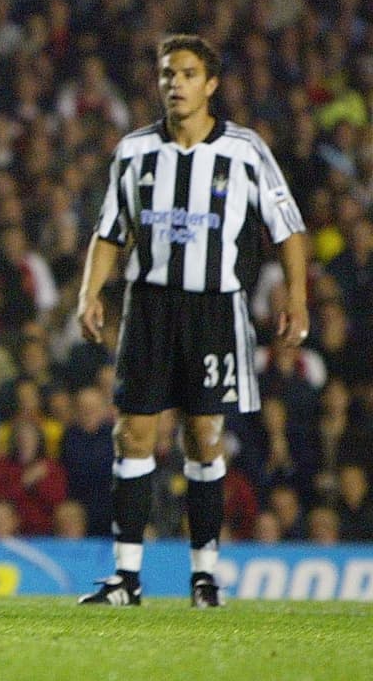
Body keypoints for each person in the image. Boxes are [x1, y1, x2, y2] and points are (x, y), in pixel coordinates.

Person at [76, 35, 308, 608]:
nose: (174, 83)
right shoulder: (133, 151)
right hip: (148, 306)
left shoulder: (246, 150)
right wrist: (88, 293)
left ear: (211, 85)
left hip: (214, 308)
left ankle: (205, 575)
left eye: (186, 73)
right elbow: (110, 231)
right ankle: (125, 577)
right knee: (132, 432)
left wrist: (297, 296)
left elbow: (288, 228)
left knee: (203, 438)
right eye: (166, 74)